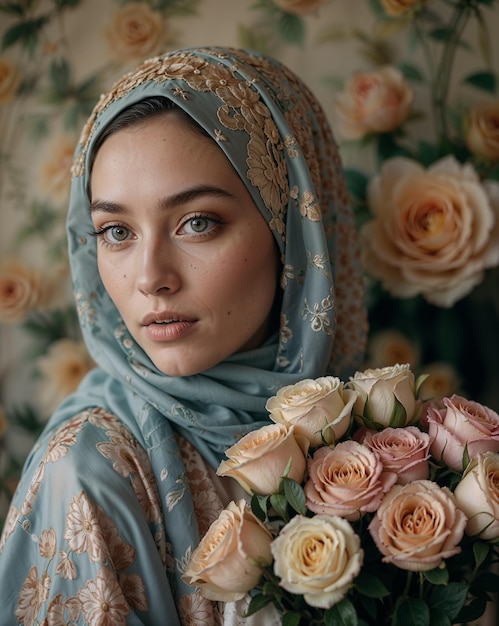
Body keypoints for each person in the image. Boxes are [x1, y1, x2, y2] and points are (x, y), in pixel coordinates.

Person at [0, 46, 368, 625]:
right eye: (116, 231)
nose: (150, 278)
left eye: (198, 223)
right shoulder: (90, 473)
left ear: (293, 232)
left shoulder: (386, 435)